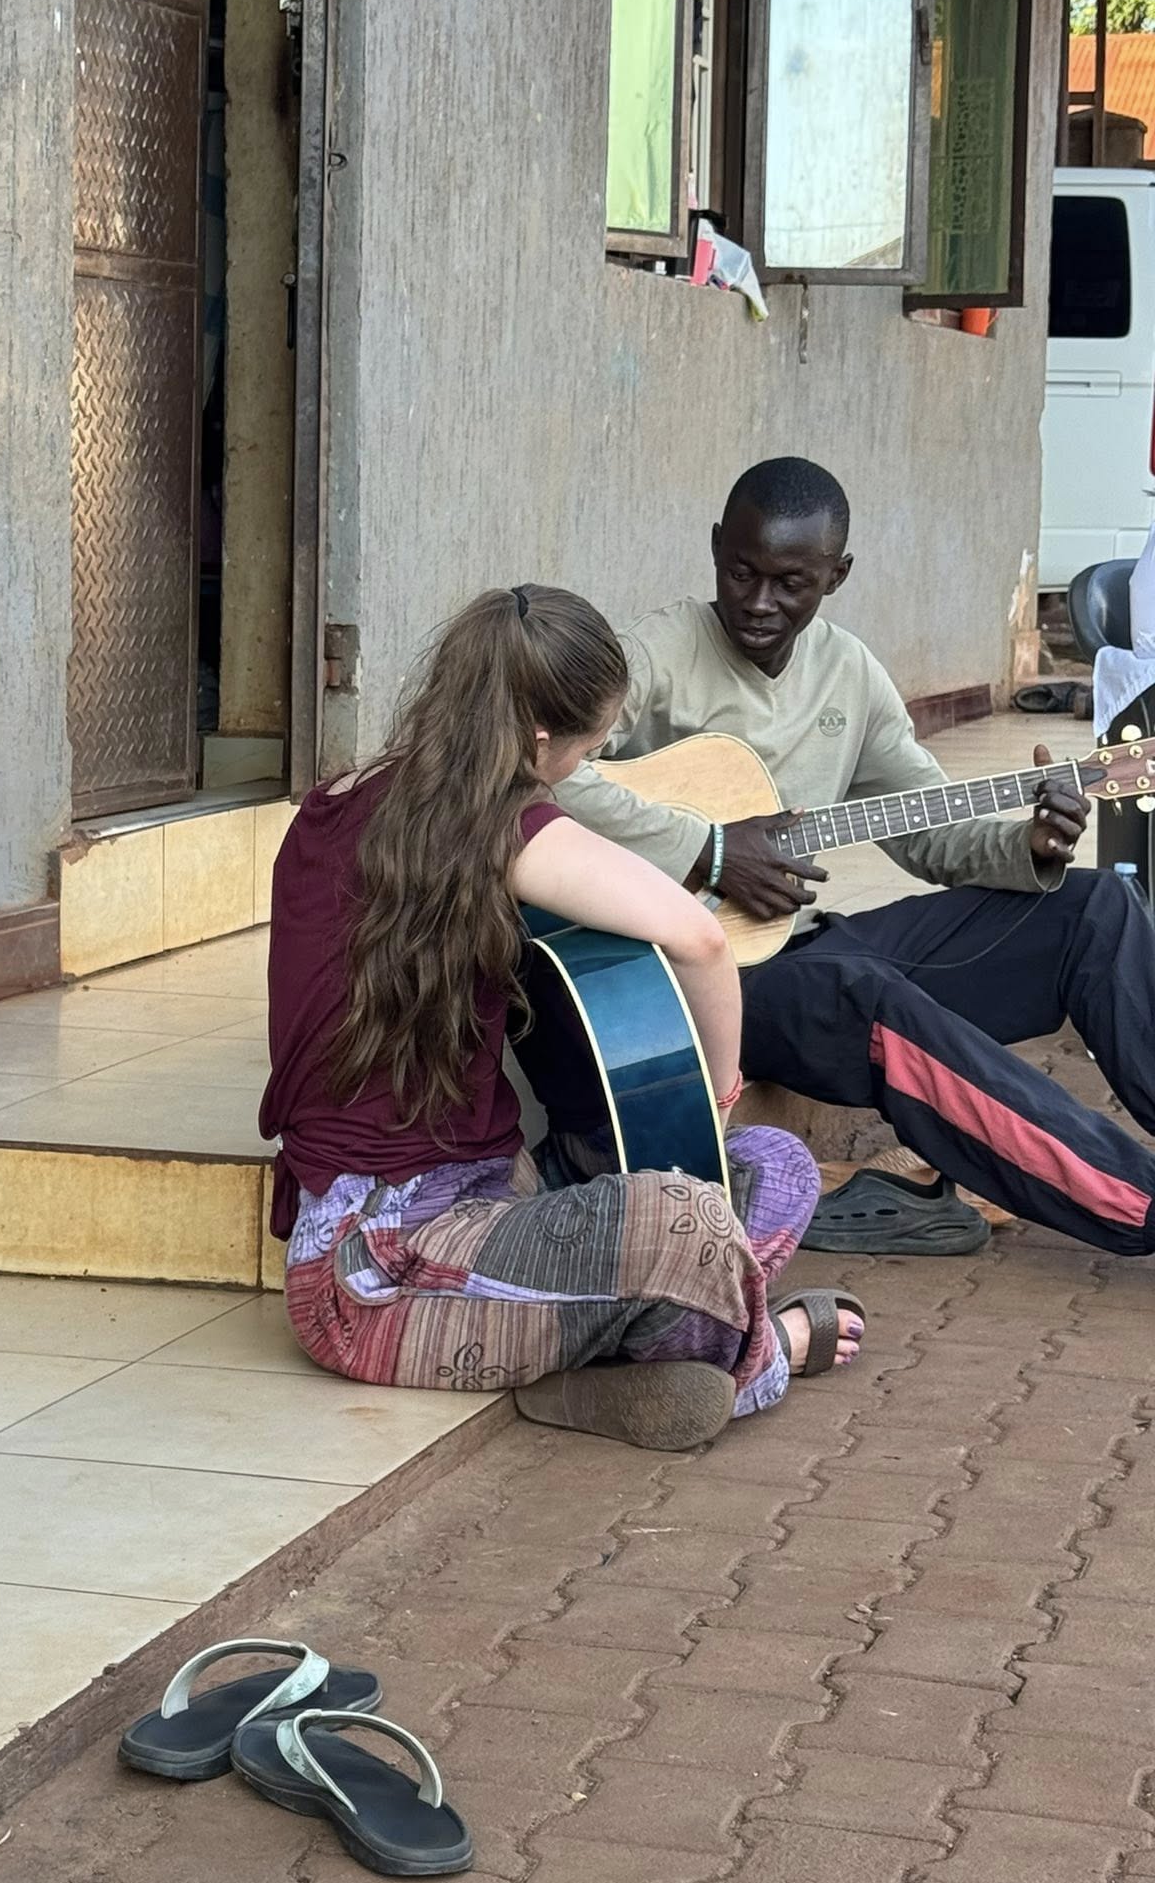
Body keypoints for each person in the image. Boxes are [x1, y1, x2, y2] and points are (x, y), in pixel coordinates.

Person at [259, 585, 864, 1455]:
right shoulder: (506, 828)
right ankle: (766, 1356)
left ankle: (611, 1370)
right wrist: (720, 1092)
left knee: (777, 1166)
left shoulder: (334, 803)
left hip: (489, 1209)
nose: (591, 762)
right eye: (590, 746)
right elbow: (700, 939)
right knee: (687, 1226)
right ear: (540, 741)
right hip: (369, 1285)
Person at [556, 456, 1155, 1258]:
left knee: (1094, 909)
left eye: (790, 582)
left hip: (805, 945)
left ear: (836, 575)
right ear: (714, 550)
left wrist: (1027, 844)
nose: (760, 602)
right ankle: (1137, 1204)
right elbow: (552, 777)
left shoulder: (850, 674)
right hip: (698, 984)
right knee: (867, 993)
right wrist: (712, 848)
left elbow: (927, 834)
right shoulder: (655, 655)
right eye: (740, 573)